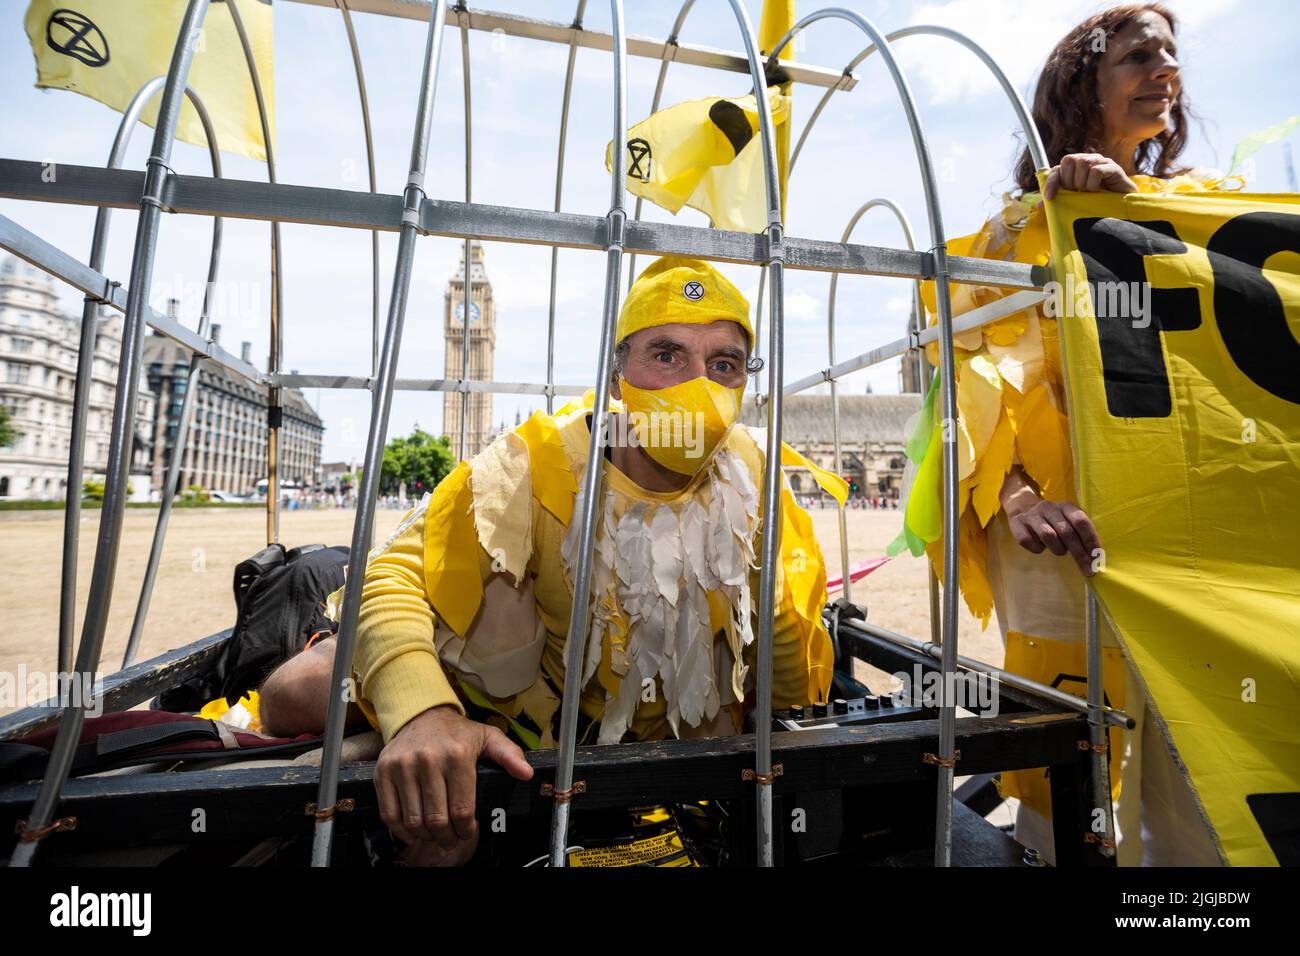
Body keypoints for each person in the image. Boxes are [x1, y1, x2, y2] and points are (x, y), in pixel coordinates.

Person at [259, 256, 844, 865]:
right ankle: (335, 652)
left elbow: (783, 639)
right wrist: (423, 714)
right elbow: (393, 572)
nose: (696, 383)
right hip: (514, 704)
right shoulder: (535, 463)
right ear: (617, 378)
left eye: (722, 363)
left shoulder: (754, 480)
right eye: (666, 355)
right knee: (293, 695)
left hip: (666, 739)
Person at [913, 3, 1236, 866]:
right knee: (1071, 774)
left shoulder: (1212, 209)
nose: (1165, 68)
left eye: (1172, 53)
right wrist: (1017, 496)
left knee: (1195, 767)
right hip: (1056, 533)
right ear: (1077, 84)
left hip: (1189, 529)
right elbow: (968, 387)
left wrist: (1153, 233)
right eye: (1139, 54)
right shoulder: (1002, 238)